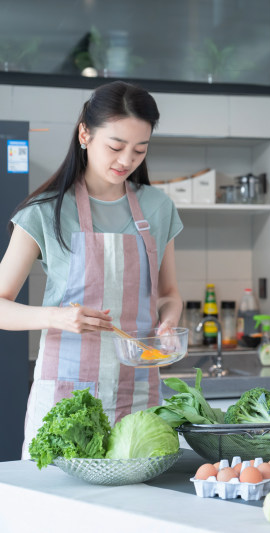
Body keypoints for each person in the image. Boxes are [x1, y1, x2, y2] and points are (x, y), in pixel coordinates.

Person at [0, 81, 183, 458]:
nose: (126, 160)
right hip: (66, 397)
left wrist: (168, 320)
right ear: (85, 133)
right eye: (115, 147)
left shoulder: (158, 208)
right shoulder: (44, 212)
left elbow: (168, 293)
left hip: (139, 396)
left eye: (139, 150)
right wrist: (58, 317)